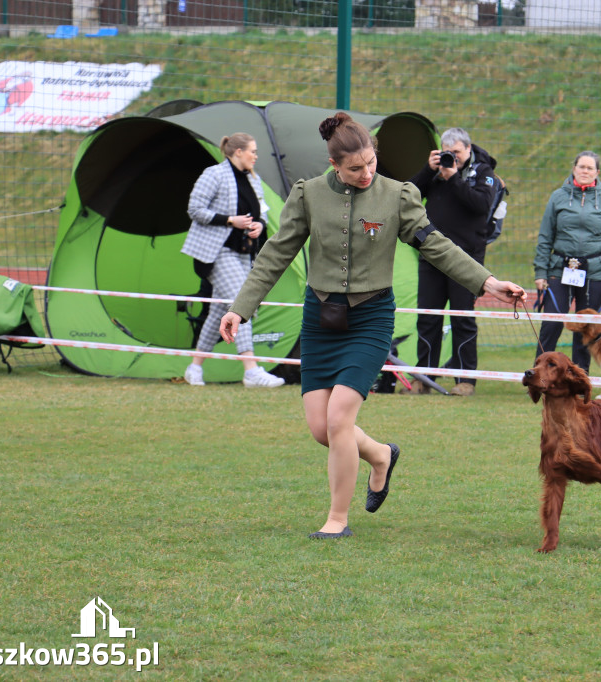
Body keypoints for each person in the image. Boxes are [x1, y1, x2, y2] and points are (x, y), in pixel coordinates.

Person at [220, 113, 526, 539]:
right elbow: (275, 253)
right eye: (355, 168)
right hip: (320, 319)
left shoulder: (398, 196)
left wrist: (489, 283)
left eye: (371, 163)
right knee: (320, 429)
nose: (366, 174)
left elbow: (436, 245)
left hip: (371, 318)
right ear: (334, 165)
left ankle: (337, 520)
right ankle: (381, 455)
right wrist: (241, 307)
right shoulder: (307, 195)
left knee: (340, 419)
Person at [180, 133, 285, 388]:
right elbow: (194, 209)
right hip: (215, 253)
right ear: (237, 152)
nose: (256, 156)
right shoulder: (213, 174)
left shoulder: (253, 178)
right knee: (242, 302)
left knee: (220, 311)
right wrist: (230, 220)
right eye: (253, 151)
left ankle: (194, 368)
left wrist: (258, 226)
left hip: (243, 253)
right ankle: (251, 370)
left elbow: (261, 214)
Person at [405, 127, 500, 397]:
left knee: (462, 319)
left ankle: (465, 379)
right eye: (448, 153)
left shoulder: (483, 172)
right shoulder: (436, 171)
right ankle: (424, 378)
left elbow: (481, 206)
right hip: (432, 255)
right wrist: (428, 170)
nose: (452, 158)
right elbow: (409, 193)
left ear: (468, 149)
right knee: (428, 318)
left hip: (467, 260)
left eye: (457, 153)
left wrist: (454, 177)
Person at [533, 151, 601, 372]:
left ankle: (579, 377)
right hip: (559, 268)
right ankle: (539, 375)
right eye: (581, 167)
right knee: (552, 323)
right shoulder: (558, 197)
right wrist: (540, 272)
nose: (585, 171)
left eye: (590, 168)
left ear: (597, 172)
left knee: (586, 327)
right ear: (574, 169)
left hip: (596, 272)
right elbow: (545, 236)